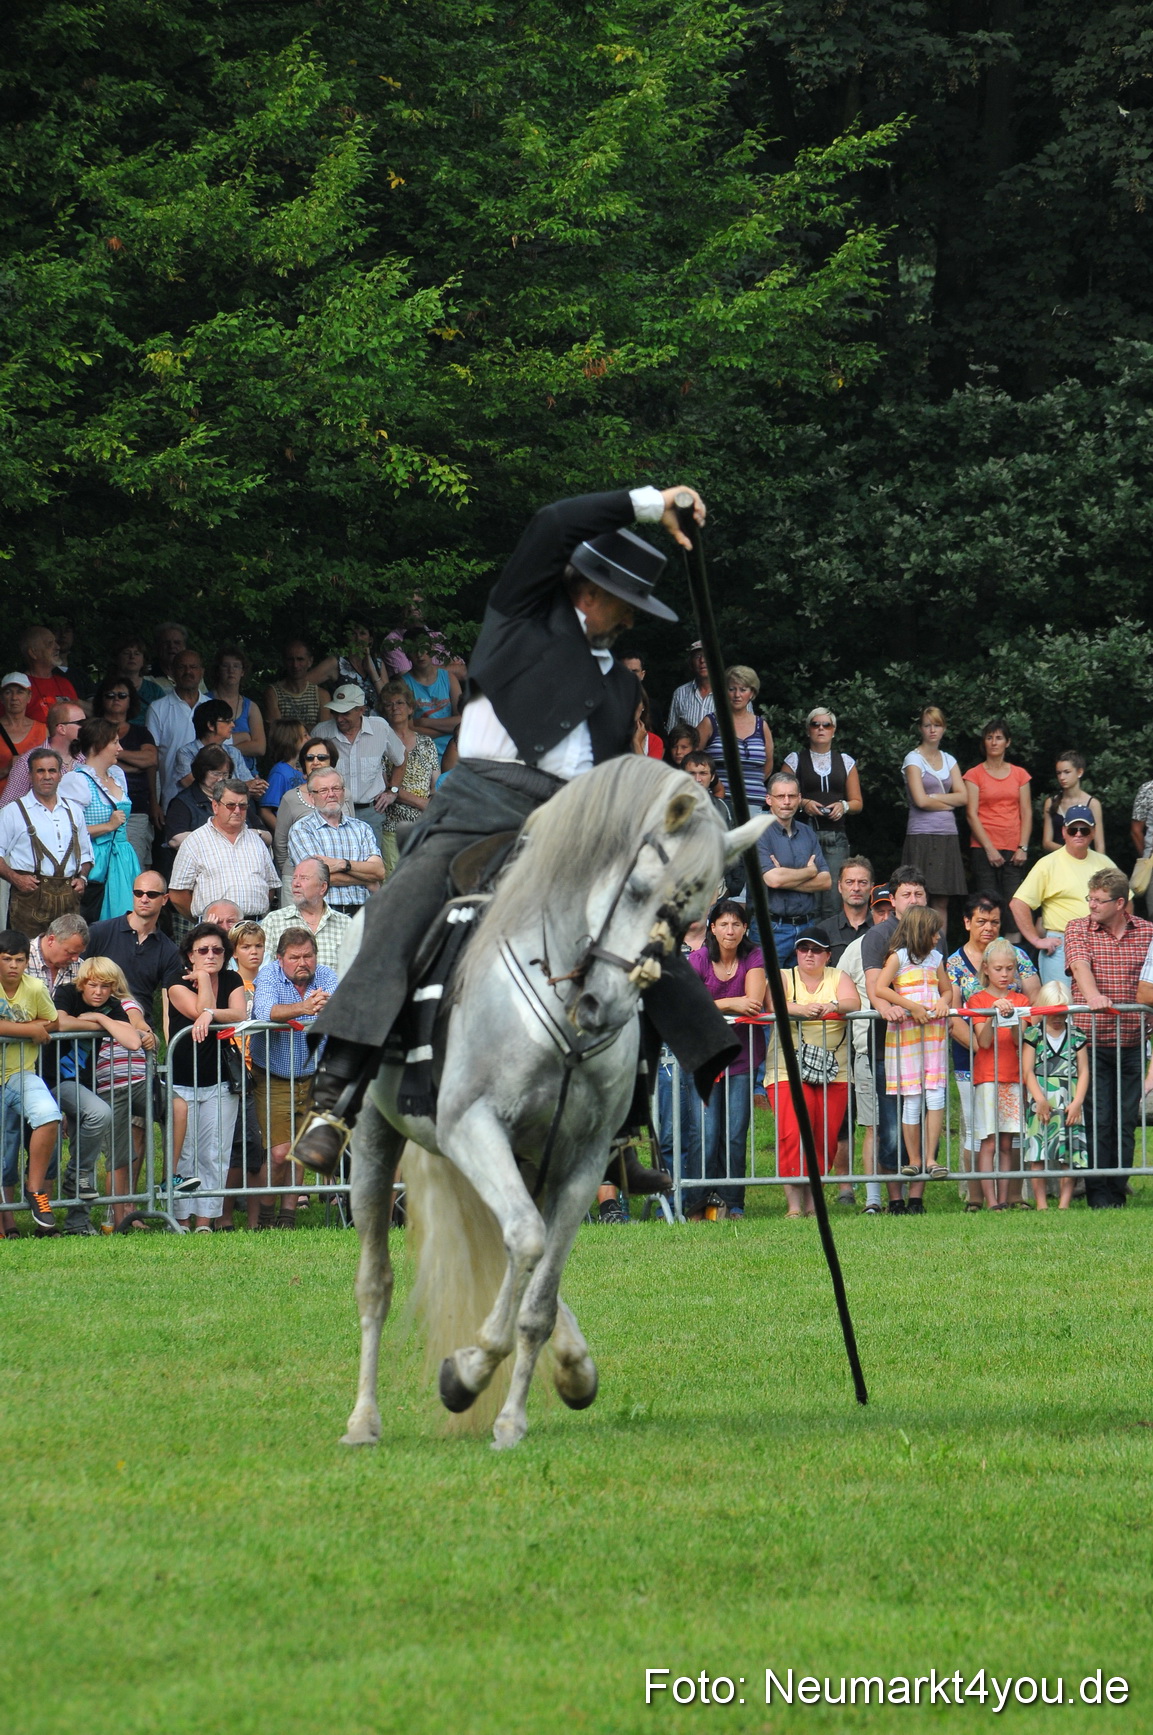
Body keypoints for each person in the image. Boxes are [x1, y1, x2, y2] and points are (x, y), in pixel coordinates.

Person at [292, 482, 738, 1179]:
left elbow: (617, 777)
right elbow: (550, 516)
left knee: (643, 943)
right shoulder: (522, 618)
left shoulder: (622, 686)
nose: (629, 617)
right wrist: (652, 503)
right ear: (589, 591)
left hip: (575, 823)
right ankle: (335, 1096)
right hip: (479, 803)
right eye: (624, 601)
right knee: (401, 906)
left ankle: (623, 1127)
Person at [946, 894, 1040, 1203]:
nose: (988, 927)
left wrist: (1010, 1016)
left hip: (1013, 1071)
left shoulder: (1019, 972)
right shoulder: (957, 965)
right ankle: (980, 1198)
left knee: (1009, 1139)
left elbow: (1030, 1010)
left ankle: (1011, 1196)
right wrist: (985, 1028)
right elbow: (956, 1014)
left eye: (995, 922)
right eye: (982, 921)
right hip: (978, 1065)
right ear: (967, 922)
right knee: (980, 1134)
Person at [1068, 868, 1153, 1207]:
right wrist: (1093, 997)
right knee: (1099, 1117)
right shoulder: (1078, 928)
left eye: (1098, 901)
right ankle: (1097, 1192)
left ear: (1120, 903)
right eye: (1089, 899)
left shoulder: (1147, 931)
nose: (1091, 906)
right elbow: (1079, 966)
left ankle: (1116, 1192)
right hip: (1091, 1042)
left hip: (1132, 1041)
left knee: (1124, 1119)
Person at [681, 900, 766, 1220]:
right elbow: (690, 1005)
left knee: (734, 1133)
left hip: (742, 1060)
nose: (730, 931)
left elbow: (754, 1003)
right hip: (704, 1060)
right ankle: (697, 1203)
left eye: (736, 924)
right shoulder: (698, 960)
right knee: (704, 1132)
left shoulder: (753, 955)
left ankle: (733, 1203)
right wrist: (733, 1001)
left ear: (745, 928)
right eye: (723, 924)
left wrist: (714, 1004)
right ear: (712, 927)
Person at [767, 925, 859, 1217]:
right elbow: (774, 1003)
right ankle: (794, 1206)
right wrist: (801, 1010)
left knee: (824, 1136)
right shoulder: (783, 976)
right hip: (786, 1068)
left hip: (834, 1071)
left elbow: (852, 1003)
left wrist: (831, 1006)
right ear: (796, 952)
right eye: (804, 948)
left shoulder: (838, 977)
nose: (809, 954)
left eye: (816, 950)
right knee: (794, 1133)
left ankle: (812, 1204)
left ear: (827, 955)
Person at [50, 957, 146, 1234]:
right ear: (82, 983)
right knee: (99, 1113)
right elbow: (62, 1023)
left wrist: (100, 1018)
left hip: (84, 1085)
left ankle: (77, 1223)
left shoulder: (110, 1007)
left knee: (87, 1150)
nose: (98, 992)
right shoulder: (68, 992)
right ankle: (74, 1177)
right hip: (53, 1079)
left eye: (105, 987)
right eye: (93, 985)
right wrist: (103, 1026)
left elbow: (132, 1040)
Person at [251, 930, 339, 1229]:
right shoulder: (268, 975)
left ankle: (287, 1218)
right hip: (275, 1075)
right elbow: (264, 1011)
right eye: (295, 957)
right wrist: (304, 1008)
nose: (303, 962)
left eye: (308, 956)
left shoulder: (327, 976)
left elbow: (345, 1009)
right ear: (280, 959)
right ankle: (265, 1216)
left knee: (300, 1150)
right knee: (278, 1153)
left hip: (314, 1076)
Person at [166, 923, 248, 1228]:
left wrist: (210, 1014)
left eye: (218, 950)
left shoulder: (231, 978)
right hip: (182, 1079)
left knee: (215, 1152)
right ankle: (180, 1219)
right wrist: (202, 981)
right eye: (203, 950)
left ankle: (204, 1221)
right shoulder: (176, 980)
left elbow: (239, 1014)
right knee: (185, 1153)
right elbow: (195, 1009)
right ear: (190, 955)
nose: (211, 955)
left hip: (220, 1079)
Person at [862, 865, 929, 1213]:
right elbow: (876, 987)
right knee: (890, 1122)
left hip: (926, 1042)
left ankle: (917, 1196)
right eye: (907, 894)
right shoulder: (879, 935)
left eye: (919, 893)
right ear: (894, 899)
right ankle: (895, 1198)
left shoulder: (935, 933)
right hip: (886, 1043)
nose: (913, 899)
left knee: (921, 1115)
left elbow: (942, 980)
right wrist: (886, 1007)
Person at [873, 906, 950, 1186]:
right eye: (933, 932)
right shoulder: (899, 957)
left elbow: (947, 989)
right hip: (906, 1037)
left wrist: (943, 1001)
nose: (937, 936)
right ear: (920, 931)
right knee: (912, 1098)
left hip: (932, 1036)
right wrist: (912, 1007)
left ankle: (931, 1159)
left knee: (935, 1096)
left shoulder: (936, 959)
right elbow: (881, 988)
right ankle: (914, 1160)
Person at [0, 929, 65, 1235]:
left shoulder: (36, 987)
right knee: (5, 1153)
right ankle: (8, 1223)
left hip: (19, 1074)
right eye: (6, 959)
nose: (13, 965)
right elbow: (37, 1028)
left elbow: (52, 1021)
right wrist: (27, 1030)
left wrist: (31, 1027)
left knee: (49, 1114)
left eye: (19, 959)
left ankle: (36, 1190)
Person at [836, 884, 894, 1215]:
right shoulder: (857, 948)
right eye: (880, 910)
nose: (885, 916)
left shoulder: (913, 943)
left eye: (890, 909)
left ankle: (900, 1197)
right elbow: (840, 985)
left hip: (908, 1045)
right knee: (873, 1125)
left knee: (904, 1123)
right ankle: (874, 1198)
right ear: (872, 913)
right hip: (867, 1046)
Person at [1009, 808, 1115, 986]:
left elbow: (1125, 902)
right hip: (1061, 943)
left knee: (1098, 1006)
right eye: (1073, 830)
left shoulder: (1105, 863)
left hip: (1101, 942)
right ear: (1064, 832)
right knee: (1061, 1006)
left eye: (1085, 830)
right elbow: (1018, 903)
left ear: (1093, 832)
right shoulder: (1048, 863)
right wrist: (1036, 940)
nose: (1079, 834)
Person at [965, 939, 1031, 1211]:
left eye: (1010, 968)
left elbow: (1021, 1039)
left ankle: (1004, 1198)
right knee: (988, 1140)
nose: (1004, 974)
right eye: (999, 968)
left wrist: (1014, 1017)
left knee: (1007, 1141)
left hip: (1014, 1077)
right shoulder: (977, 1000)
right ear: (986, 969)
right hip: (987, 1078)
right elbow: (983, 1042)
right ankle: (989, 1200)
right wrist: (993, 1015)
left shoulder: (1022, 1000)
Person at [0, 749, 93, 937]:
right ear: (30, 775)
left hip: (69, 896)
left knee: (67, 955)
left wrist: (82, 878)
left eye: (52, 771)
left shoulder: (74, 810)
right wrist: (15, 879)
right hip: (29, 896)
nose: (47, 776)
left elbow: (86, 854)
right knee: (26, 956)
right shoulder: (13, 811)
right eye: (40, 771)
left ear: (60, 775)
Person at [784, 708, 862, 917]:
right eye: (815, 724)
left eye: (826, 725)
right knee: (806, 898)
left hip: (836, 836)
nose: (820, 728)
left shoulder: (845, 761)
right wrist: (803, 803)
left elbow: (857, 803)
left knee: (833, 900)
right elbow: (780, 794)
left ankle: (831, 949)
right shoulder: (795, 760)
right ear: (808, 730)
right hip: (802, 836)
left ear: (834, 730)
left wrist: (843, 806)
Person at [169, 779, 279, 923]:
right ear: (215, 806)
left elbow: (270, 887)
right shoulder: (195, 842)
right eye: (231, 805)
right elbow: (178, 894)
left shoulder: (257, 841)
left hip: (253, 928)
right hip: (214, 928)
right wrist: (203, 922)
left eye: (243, 806)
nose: (237, 811)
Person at [59, 719, 137, 922]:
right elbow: (67, 830)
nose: (120, 748)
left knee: (128, 917)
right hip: (96, 859)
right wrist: (108, 826)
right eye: (115, 742)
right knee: (99, 920)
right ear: (98, 745)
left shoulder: (117, 775)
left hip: (123, 856)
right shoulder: (77, 780)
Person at [313, 687, 406, 854]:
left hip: (371, 812)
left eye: (345, 713)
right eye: (335, 712)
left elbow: (400, 760)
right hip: (332, 811)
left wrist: (393, 791)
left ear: (361, 710)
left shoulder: (380, 728)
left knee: (372, 867)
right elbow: (307, 771)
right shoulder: (321, 732)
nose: (339, 719)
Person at [1022, 981, 1089, 1210]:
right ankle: (1041, 1204)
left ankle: (1064, 1204)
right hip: (1040, 1097)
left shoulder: (1076, 1035)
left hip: (1068, 1097)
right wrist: (1039, 1099)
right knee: (1037, 1153)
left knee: (1068, 1153)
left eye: (1062, 1011)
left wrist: (1078, 1101)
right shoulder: (1033, 1034)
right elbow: (1028, 1070)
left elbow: (1083, 1071)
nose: (1057, 1017)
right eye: (1052, 1012)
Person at [963, 718, 1032, 936]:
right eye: (989, 737)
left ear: (1007, 742)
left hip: (1014, 847)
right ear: (984, 742)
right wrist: (989, 849)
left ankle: (1014, 955)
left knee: (1014, 902)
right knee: (986, 903)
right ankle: (987, 952)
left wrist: (1023, 847)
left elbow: (1027, 812)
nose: (994, 742)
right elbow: (971, 814)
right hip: (983, 848)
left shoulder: (1020, 774)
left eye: (999, 738)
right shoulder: (974, 774)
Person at [755, 771, 831, 967]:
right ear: (769, 799)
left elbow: (826, 881)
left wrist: (785, 878)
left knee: (802, 993)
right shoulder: (759, 833)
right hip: (771, 928)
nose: (786, 801)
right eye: (780, 796)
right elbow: (773, 880)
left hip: (806, 927)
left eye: (791, 796)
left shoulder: (807, 833)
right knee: (767, 991)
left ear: (799, 799)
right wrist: (809, 872)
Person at [901, 705, 968, 924]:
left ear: (944, 728)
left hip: (947, 834)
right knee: (918, 898)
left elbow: (963, 797)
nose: (932, 730)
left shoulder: (949, 760)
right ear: (920, 728)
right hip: (921, 834)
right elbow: (920, 800)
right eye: (927, 725)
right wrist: (948, 802)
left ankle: (941, 952)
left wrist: (934, 798)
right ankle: (916, 950)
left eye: (937, 725)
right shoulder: (913, 759)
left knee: (942, 901)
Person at [286, 768, 385, 915]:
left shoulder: (362, 828)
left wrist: (342, 864)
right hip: (323, 913)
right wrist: (366, 879)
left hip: (362, 913)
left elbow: (378, 872)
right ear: (312, 797)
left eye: (336, 788)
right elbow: (313, 878)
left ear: (344, 793)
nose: (331, 794)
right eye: (323, 790)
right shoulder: (301, 829)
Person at [85, 871, 184, 1019]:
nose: (144, 899)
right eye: (138, 893)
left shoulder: (169, 950)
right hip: (97, 1026)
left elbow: (168, 1004)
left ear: (164, 899)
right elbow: (76, 979)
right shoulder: (99, 932)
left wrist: (168, 1041)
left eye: (151, 894)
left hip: (141, 1030)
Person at [90, 675, 160, 869]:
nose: (116, 699)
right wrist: (135, 764)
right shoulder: (91, 730)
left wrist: (111, 756)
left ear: (131, 701)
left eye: (122, 695)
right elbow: (87, 764)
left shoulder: (141, 732)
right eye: (110, 695)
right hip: (96, 810)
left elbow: (151, 760)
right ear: (101, 700)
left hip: (136, 808)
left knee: (133, 866)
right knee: (99, 867)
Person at [377, 680, 440, 873]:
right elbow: (384, 786)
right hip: (393, 824)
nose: (394, 708)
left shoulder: (426, 742)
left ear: (411, 708)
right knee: (393, 881)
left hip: (423, 826)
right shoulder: (380, 743)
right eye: (389, 704)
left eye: (400, 703)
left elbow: (436, 783)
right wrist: (421, 803)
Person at [271, 738, 345, 895]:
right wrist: (293, 872)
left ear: (332, 761)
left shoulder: (345, 795)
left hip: (342, 880)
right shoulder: (290, 798)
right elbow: (280, 842)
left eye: (322, 757)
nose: (316, 762)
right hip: (298, 880)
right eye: (310, 758)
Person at [697, 666, 774, 812]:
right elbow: (692, 761)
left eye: (743, 689)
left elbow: (768, 766)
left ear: (752, 693)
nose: (737, 695)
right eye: (731, 689)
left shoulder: (761, 725)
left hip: (754, 806)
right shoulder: (710, 722)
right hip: (719, 805)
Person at [262, 857, 352, 974]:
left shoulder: (346, 925)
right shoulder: (273, 921)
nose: (296, 883)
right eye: (294, 878)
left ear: (322, 887)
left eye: (304, 878)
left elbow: (356, 974)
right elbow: (263, 973)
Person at [146, 649, 208, 807]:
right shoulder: (158, 708)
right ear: (172, 672)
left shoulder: (212, 708)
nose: (188, 672)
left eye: (193, 667)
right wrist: (154, 802)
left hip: (212, 802)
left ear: (202, 672)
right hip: (173, 800)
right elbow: (151, 760)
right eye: (182, 667)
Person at [172, 700, 267, 800]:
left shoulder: (233, 752)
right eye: (227, 721)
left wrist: (257, 786)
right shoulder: (186, 753)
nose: (233, 725)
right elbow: (196, 786)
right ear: (211, 725)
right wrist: (243, 787)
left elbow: (249, 784)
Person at [0, 701, 85, 809]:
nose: (86, 727)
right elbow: (7, 808)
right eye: (81, 723)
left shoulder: (85, 758)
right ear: (61, 729)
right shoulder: (27, 761)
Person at [401, 633, 462, 765]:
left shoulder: (449, 677)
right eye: (414, 650)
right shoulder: (404, 684)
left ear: (432, 649)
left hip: (453, 747)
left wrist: (424, 722)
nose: (419, 654)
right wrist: (446, 729)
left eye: (423, 648)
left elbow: (462, 720)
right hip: (422, 750)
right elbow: (408, 728)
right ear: (406, 653)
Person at [207, 646, 265, 774]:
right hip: (214, 774)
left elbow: (260, 747)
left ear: (243, 672)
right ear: (218, 670)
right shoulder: (205, 702)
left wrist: (223, 749)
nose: (231, 670)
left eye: (236, 666)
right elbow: (203, 742)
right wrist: (245, 738)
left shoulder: (251, 707)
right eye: (225, 666)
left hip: (248, 775)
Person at [308, 621, 387, 714]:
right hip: (345, 723)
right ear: (345, 638)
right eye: (353, 634)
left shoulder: (378, 663)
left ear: (370, 639)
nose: (358, 639)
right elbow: (302, 684)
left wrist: (372, 672)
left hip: (377, 725)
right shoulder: (337, 663)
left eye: (362, 633)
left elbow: (388, 700)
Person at [1044, 751, 1104, 854]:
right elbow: (1047, 842)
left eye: (1067, 772)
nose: (1062, 777)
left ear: (1079, 772)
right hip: (1059, 859)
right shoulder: (1051, 802)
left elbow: (1100, 844)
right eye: (1059, 773)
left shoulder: (1093, 804)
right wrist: (1070, 851)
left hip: (1085, 859)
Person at [264, 641, 327, 734]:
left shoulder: (321, 694)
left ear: (310, 662)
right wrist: (310, 729)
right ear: (284, 662)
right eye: (290, 659)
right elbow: (277, 732)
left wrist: (288, 729)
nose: (295, 665)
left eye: (300, 659)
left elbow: (324, 731)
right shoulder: (273, 692)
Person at [0, 673, 47, 798]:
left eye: (20, 692)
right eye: (8, 692)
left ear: (29, 697)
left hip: (34, 803)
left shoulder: (43, 730)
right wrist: (7, 769)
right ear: (1, 698)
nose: (14, 697)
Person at [258, 719, 308, 834]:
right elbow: (265, 811)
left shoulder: (298, 770)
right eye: (305, 735)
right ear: (291, 739)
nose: (309, 739)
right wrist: (284, 835)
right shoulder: (279, 772)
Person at [21, 626, 79, 724]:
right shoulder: (19, 686)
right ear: (33, 653)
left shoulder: (65, 683)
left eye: (55, 642)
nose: (57, 647)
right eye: (49, 644)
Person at [824, 856, 874, 965]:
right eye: (849, 882)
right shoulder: (825, 930)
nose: (856, 888)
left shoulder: (882, 929)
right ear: (840, 886)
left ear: (871, 887)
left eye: (863, 882)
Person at [107, 635, 167, 722]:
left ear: (143, 660)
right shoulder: (105, 687)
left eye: (137, 653)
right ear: (117, 658)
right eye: (126, 653)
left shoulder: (155, 690)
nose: (132, 657)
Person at [26, 913, 89, 995]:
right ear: (51, 940)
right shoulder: (19, 959)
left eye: (79, 953)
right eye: (70, 953)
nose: (75, 959)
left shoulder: (81, 968)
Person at [666, 640, 714, 734]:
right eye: (697, 656)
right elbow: (672, 733)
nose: (702, 660)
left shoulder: (734, 693)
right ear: (691, 663)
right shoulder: (680, 693)